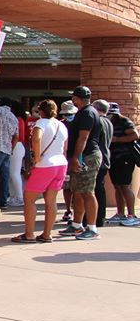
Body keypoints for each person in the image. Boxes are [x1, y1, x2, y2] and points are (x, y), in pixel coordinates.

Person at [12, 100, 68, 243]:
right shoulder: (61, 125)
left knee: (29, 199)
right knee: (51, 201)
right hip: (60, 163)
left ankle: (29, 234)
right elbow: (65, 146)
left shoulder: (41, 123)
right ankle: (47, 234)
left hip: (45, 164)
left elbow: (36, 139)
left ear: (41, 111)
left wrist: (36, 158)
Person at [60, 86, 103, 240]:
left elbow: (83, 137)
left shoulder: (88, 113)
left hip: (87, 157)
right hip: (83, 156)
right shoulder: (84, 112)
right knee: (78, 192)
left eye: (74, 97)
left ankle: (92, 228)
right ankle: (77, 225)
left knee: (87, 192)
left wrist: (76, 157)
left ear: (76, 98)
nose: (73, 100)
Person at [106, 102, 139, 226]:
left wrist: (117, 139)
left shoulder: (125, 121)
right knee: (117, 186)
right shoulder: (110, 123)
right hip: (114, 158)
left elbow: (135, 135)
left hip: (125, 158)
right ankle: (120, 213)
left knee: (125, 186)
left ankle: (132, 214)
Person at [0, 98, 18, 208]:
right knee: (4, 176)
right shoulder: (13, 117)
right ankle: (3, 201)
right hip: (7, 149)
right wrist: (11, 148)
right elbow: (16, 136)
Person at [92, 99, 114, 228]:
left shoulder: (98, 121)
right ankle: (100, 218)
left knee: (94, 190)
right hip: (105, 158)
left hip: (97, 159)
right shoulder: (109, 122)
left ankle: (94, 218)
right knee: (100, 189)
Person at [58, 100, 78, 222]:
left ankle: (76, 210)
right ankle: (68, 209)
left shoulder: (79, 123)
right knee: (66, 186)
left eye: (70, 114)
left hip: (75, 157)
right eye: (66, 114)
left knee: (77, 186)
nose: (68, 116)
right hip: (64, 158)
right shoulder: (60, 124)